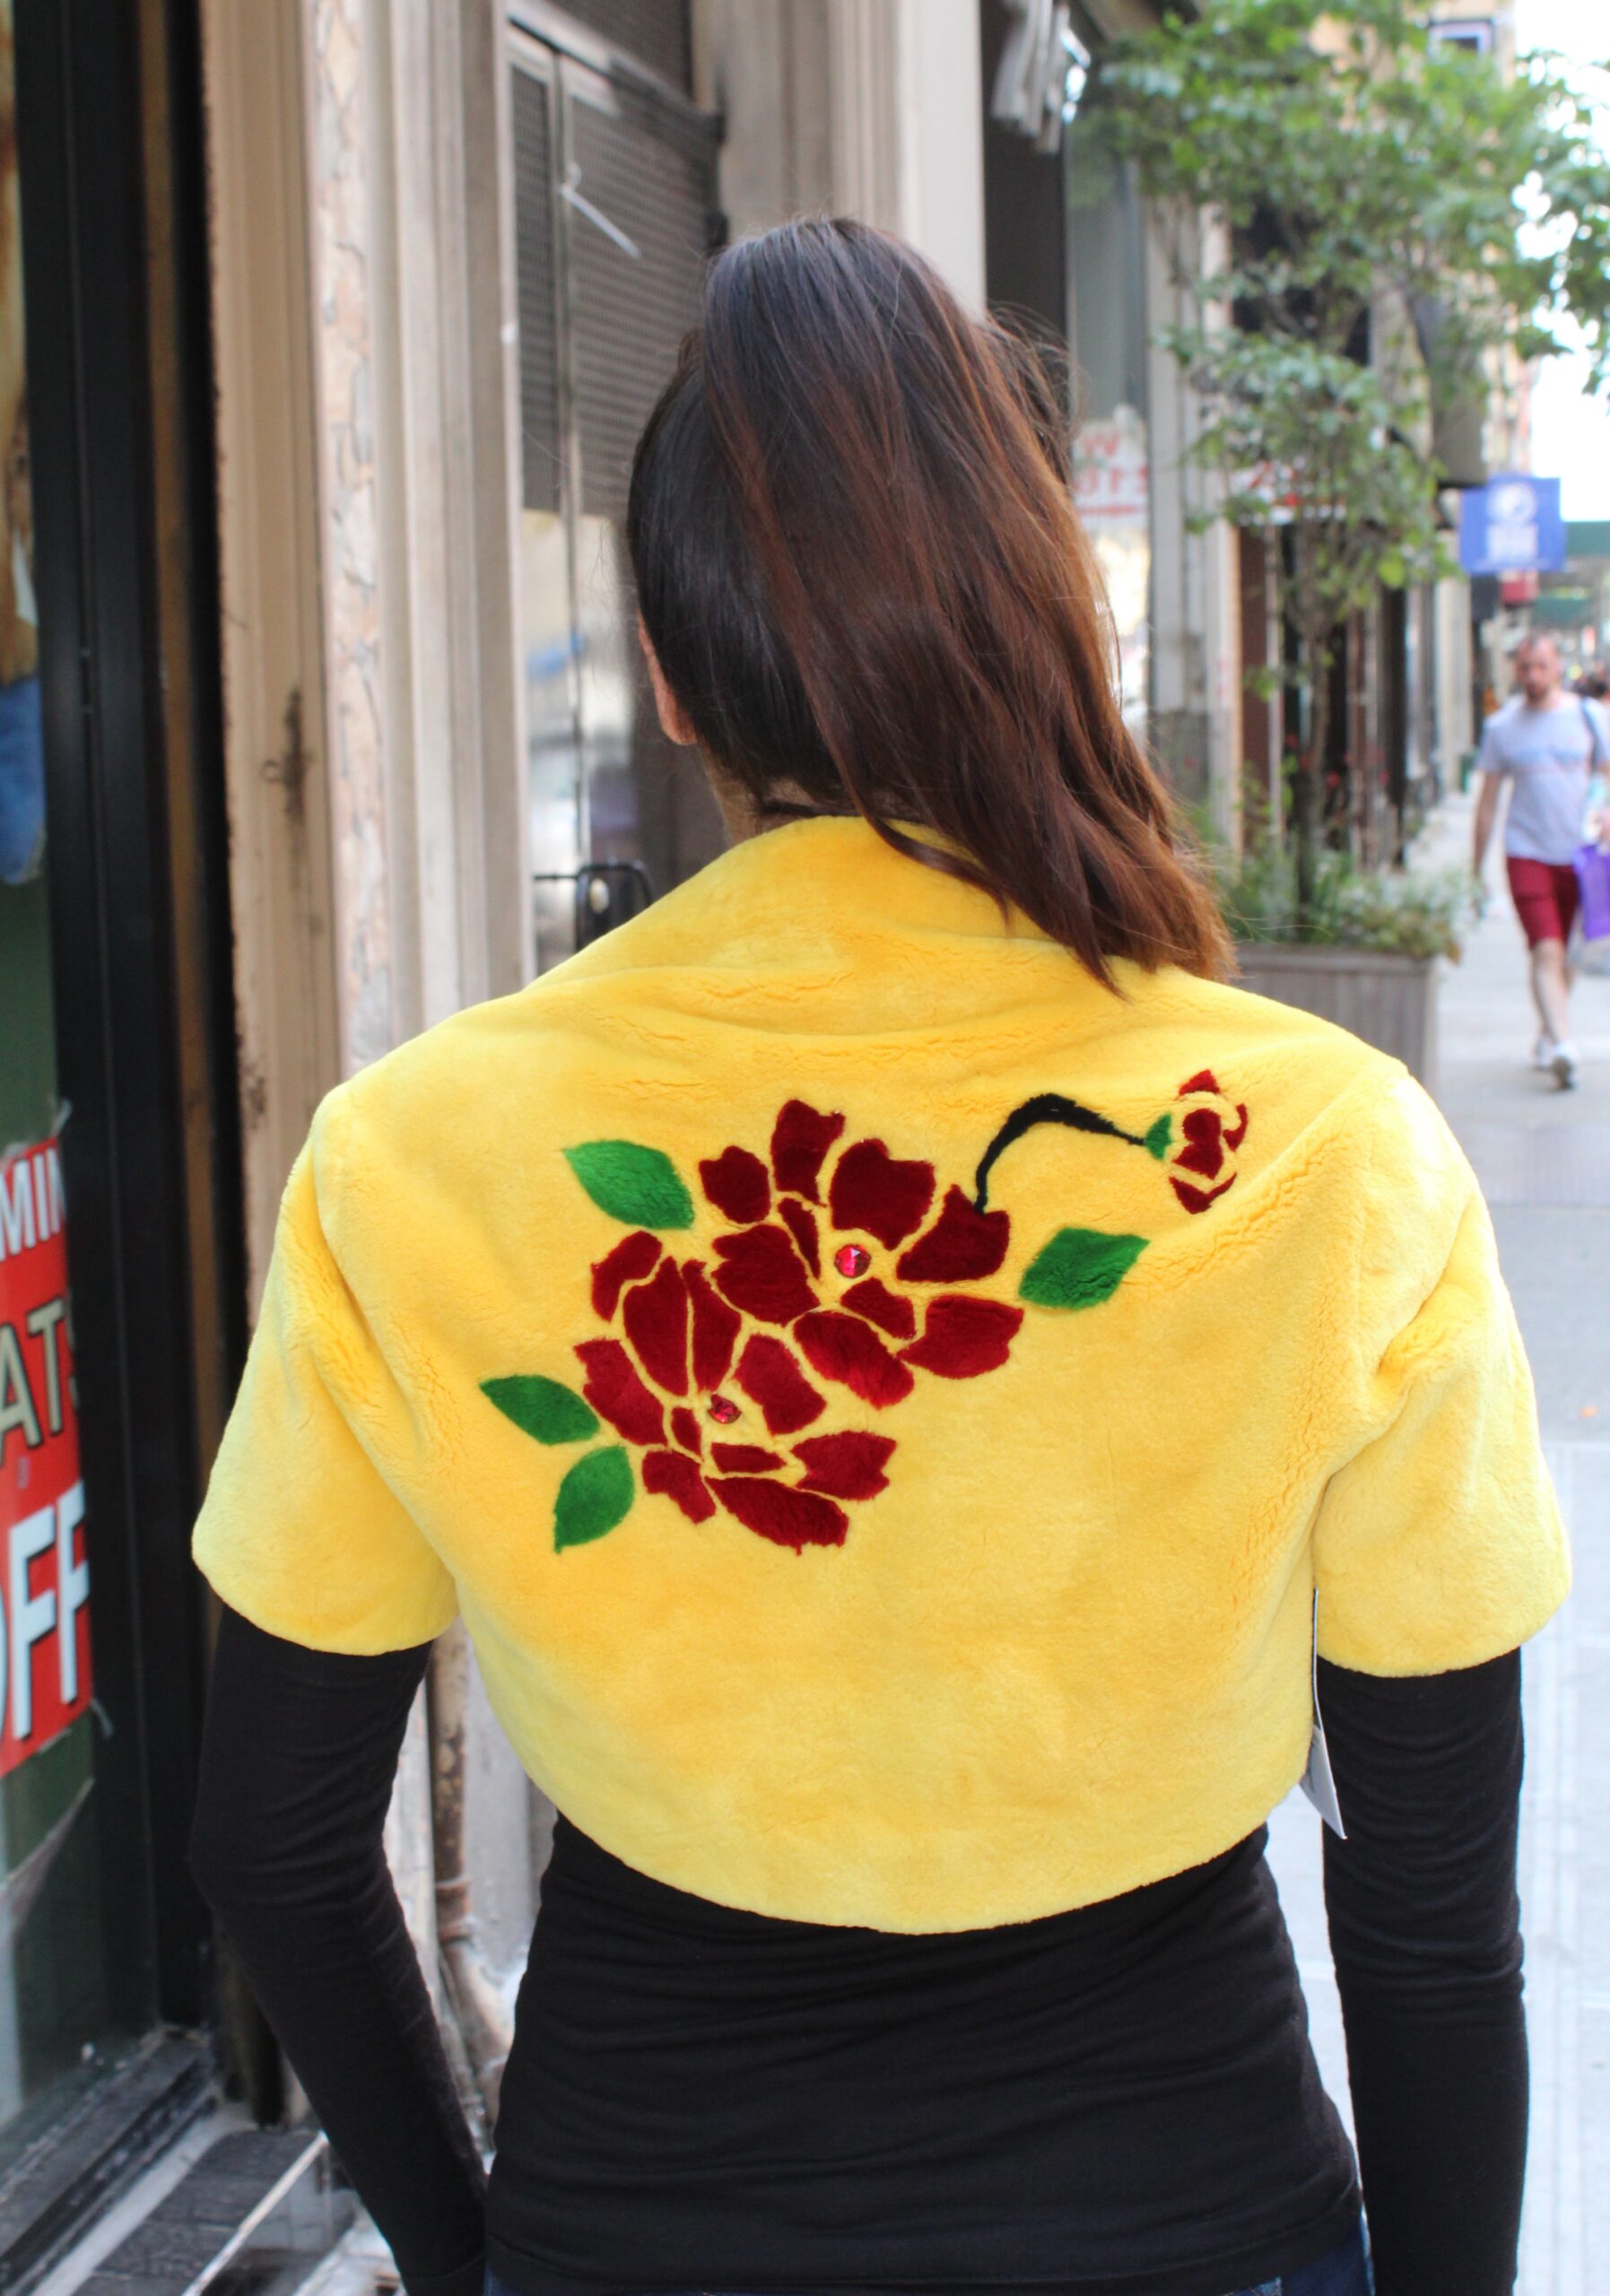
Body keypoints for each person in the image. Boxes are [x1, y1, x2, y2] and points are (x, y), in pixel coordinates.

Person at [189, 222, 1568, 2296]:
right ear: (1046, 616)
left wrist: (473, 2255)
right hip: (1185, 2217)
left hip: (632, 2218)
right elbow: (1435, 1904)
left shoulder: (416, 1157)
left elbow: (283, 1852)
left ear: (662, 665)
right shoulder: (1318, 1150)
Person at [1472, 631, 1606, 1088]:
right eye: (1525, 667)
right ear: (1517, 669)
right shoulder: (1502, 727)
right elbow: (1488, 802)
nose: (1532, 675)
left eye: (1540, 666)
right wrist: (1476, 870)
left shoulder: (1589, 718)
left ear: (1556, 666)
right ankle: (1565, 1045)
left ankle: (1550, 1029)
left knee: (1569, 955)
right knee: (1546, 948)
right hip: (1526, 852)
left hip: (1579, 855)